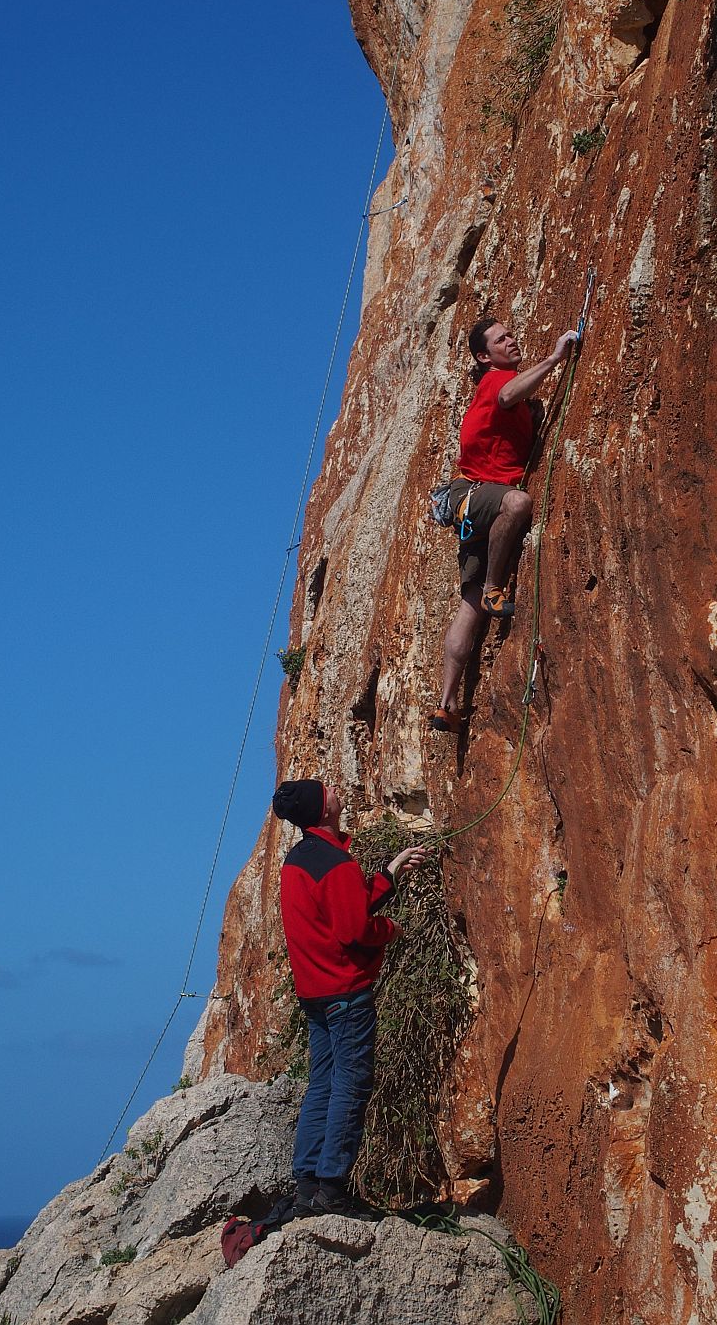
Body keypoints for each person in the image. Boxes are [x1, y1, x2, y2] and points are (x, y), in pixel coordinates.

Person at [271, 777, 425, 1216]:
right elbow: (354, 929)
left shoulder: (299, 860)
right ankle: (333, 1188)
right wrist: (391, 930)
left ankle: (307, 1185)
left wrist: (389, 874)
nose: (337, 791)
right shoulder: (335, 863)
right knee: (350, 1086)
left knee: (322, 1084)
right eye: (330, 791)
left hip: (316, 994)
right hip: (346, 993)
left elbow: (341, 908)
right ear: (323, 810)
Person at [430, 317, 578, 734]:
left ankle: (447, 703)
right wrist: (555, 358)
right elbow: (511, 392)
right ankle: (496, 588)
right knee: (518, 502)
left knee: (468, 604)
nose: (512, 341)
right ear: (484, 355)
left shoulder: (496, 389)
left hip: (473, 506)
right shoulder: (496, 380)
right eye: (502, 339)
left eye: (511, 335)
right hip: (478, 495)